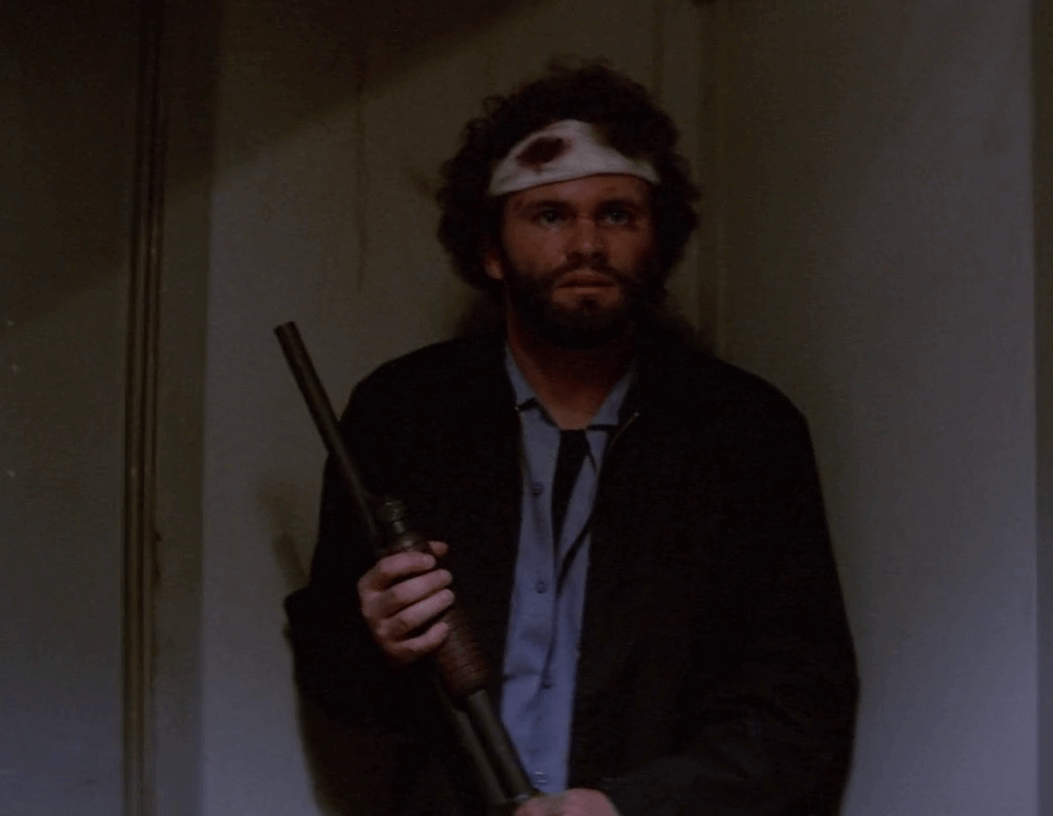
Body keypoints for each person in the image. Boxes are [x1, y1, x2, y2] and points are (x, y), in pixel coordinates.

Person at [285, 62, 858, 816]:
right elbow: (336, 680)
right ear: (491, 249)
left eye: (617, 214)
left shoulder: (747, 433)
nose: (587, 243)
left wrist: (631, 807)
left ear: (658, 239)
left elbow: (801, 703)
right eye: (549, 215)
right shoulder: (401, 413)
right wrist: (377, 641)